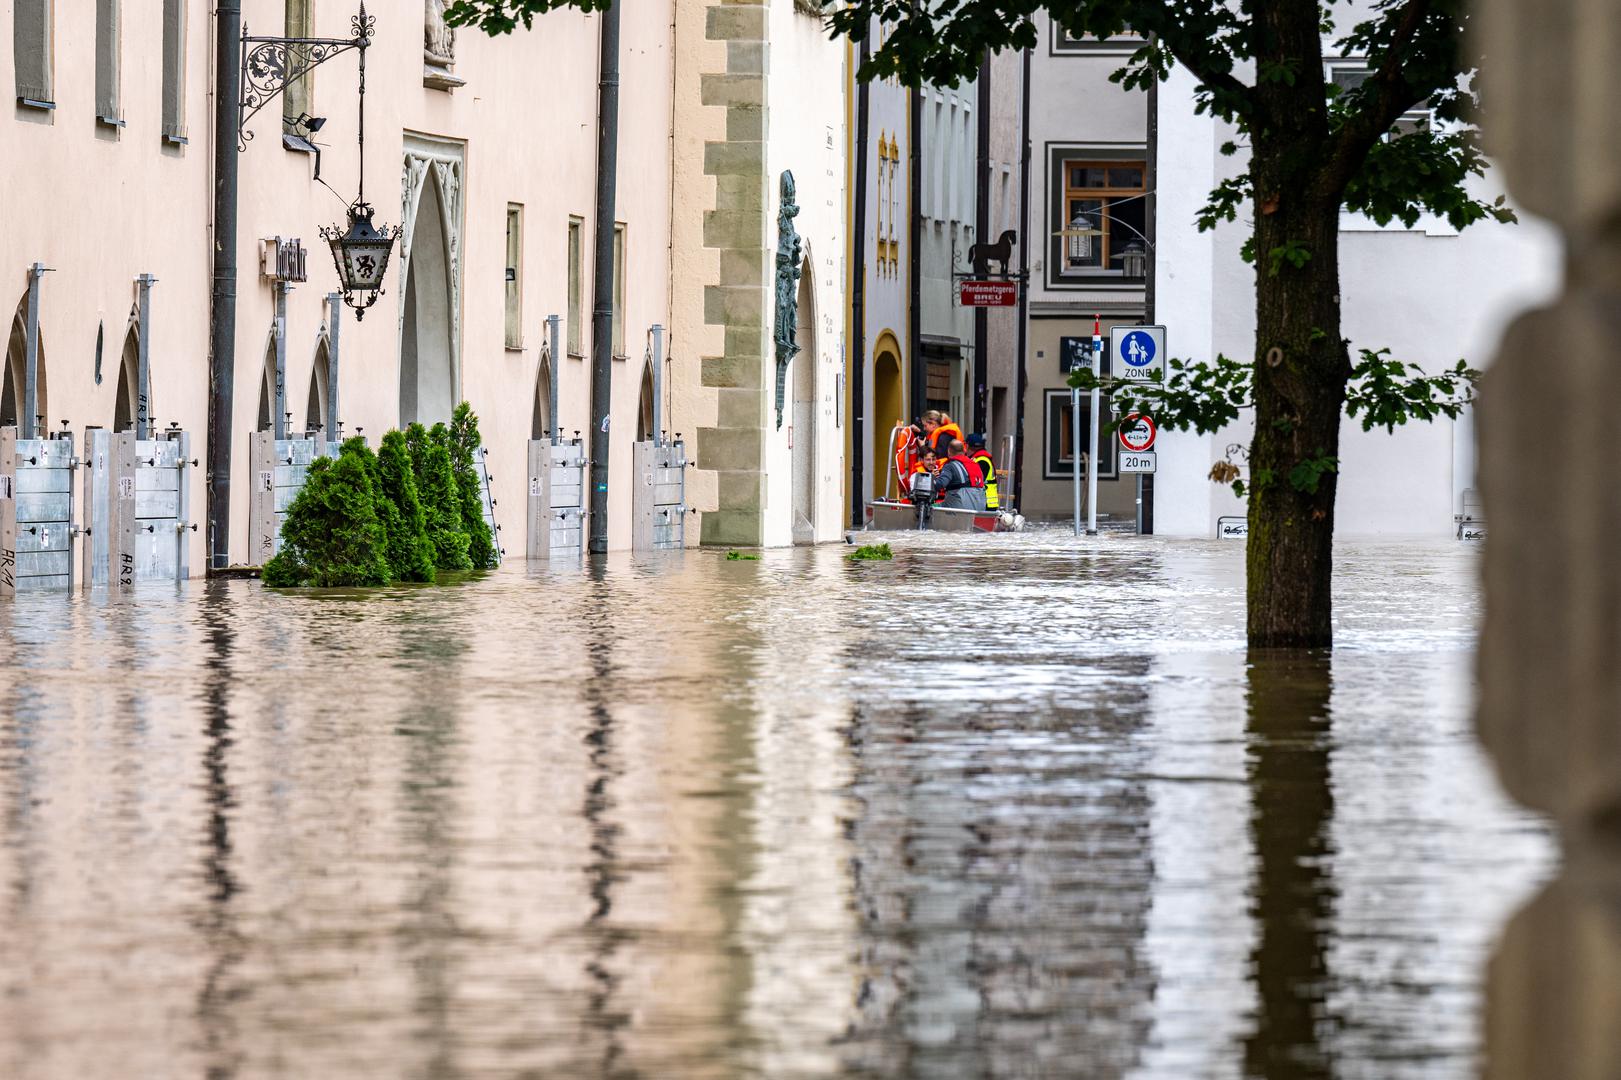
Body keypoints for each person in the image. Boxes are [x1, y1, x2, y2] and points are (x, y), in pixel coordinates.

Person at [935, 438, 987, 511]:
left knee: (932, 509)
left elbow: (940, 484)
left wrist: (932, 480)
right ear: (964, 450)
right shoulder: (976, 465)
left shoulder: (950, 466)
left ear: (949, 451)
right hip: (979, 510)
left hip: (959, 511)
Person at [966, 434, 999, 511]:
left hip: (985, 502)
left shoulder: (981, 460)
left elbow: (976, 482)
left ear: (967, 446)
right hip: (985, 501)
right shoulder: (981, 458)